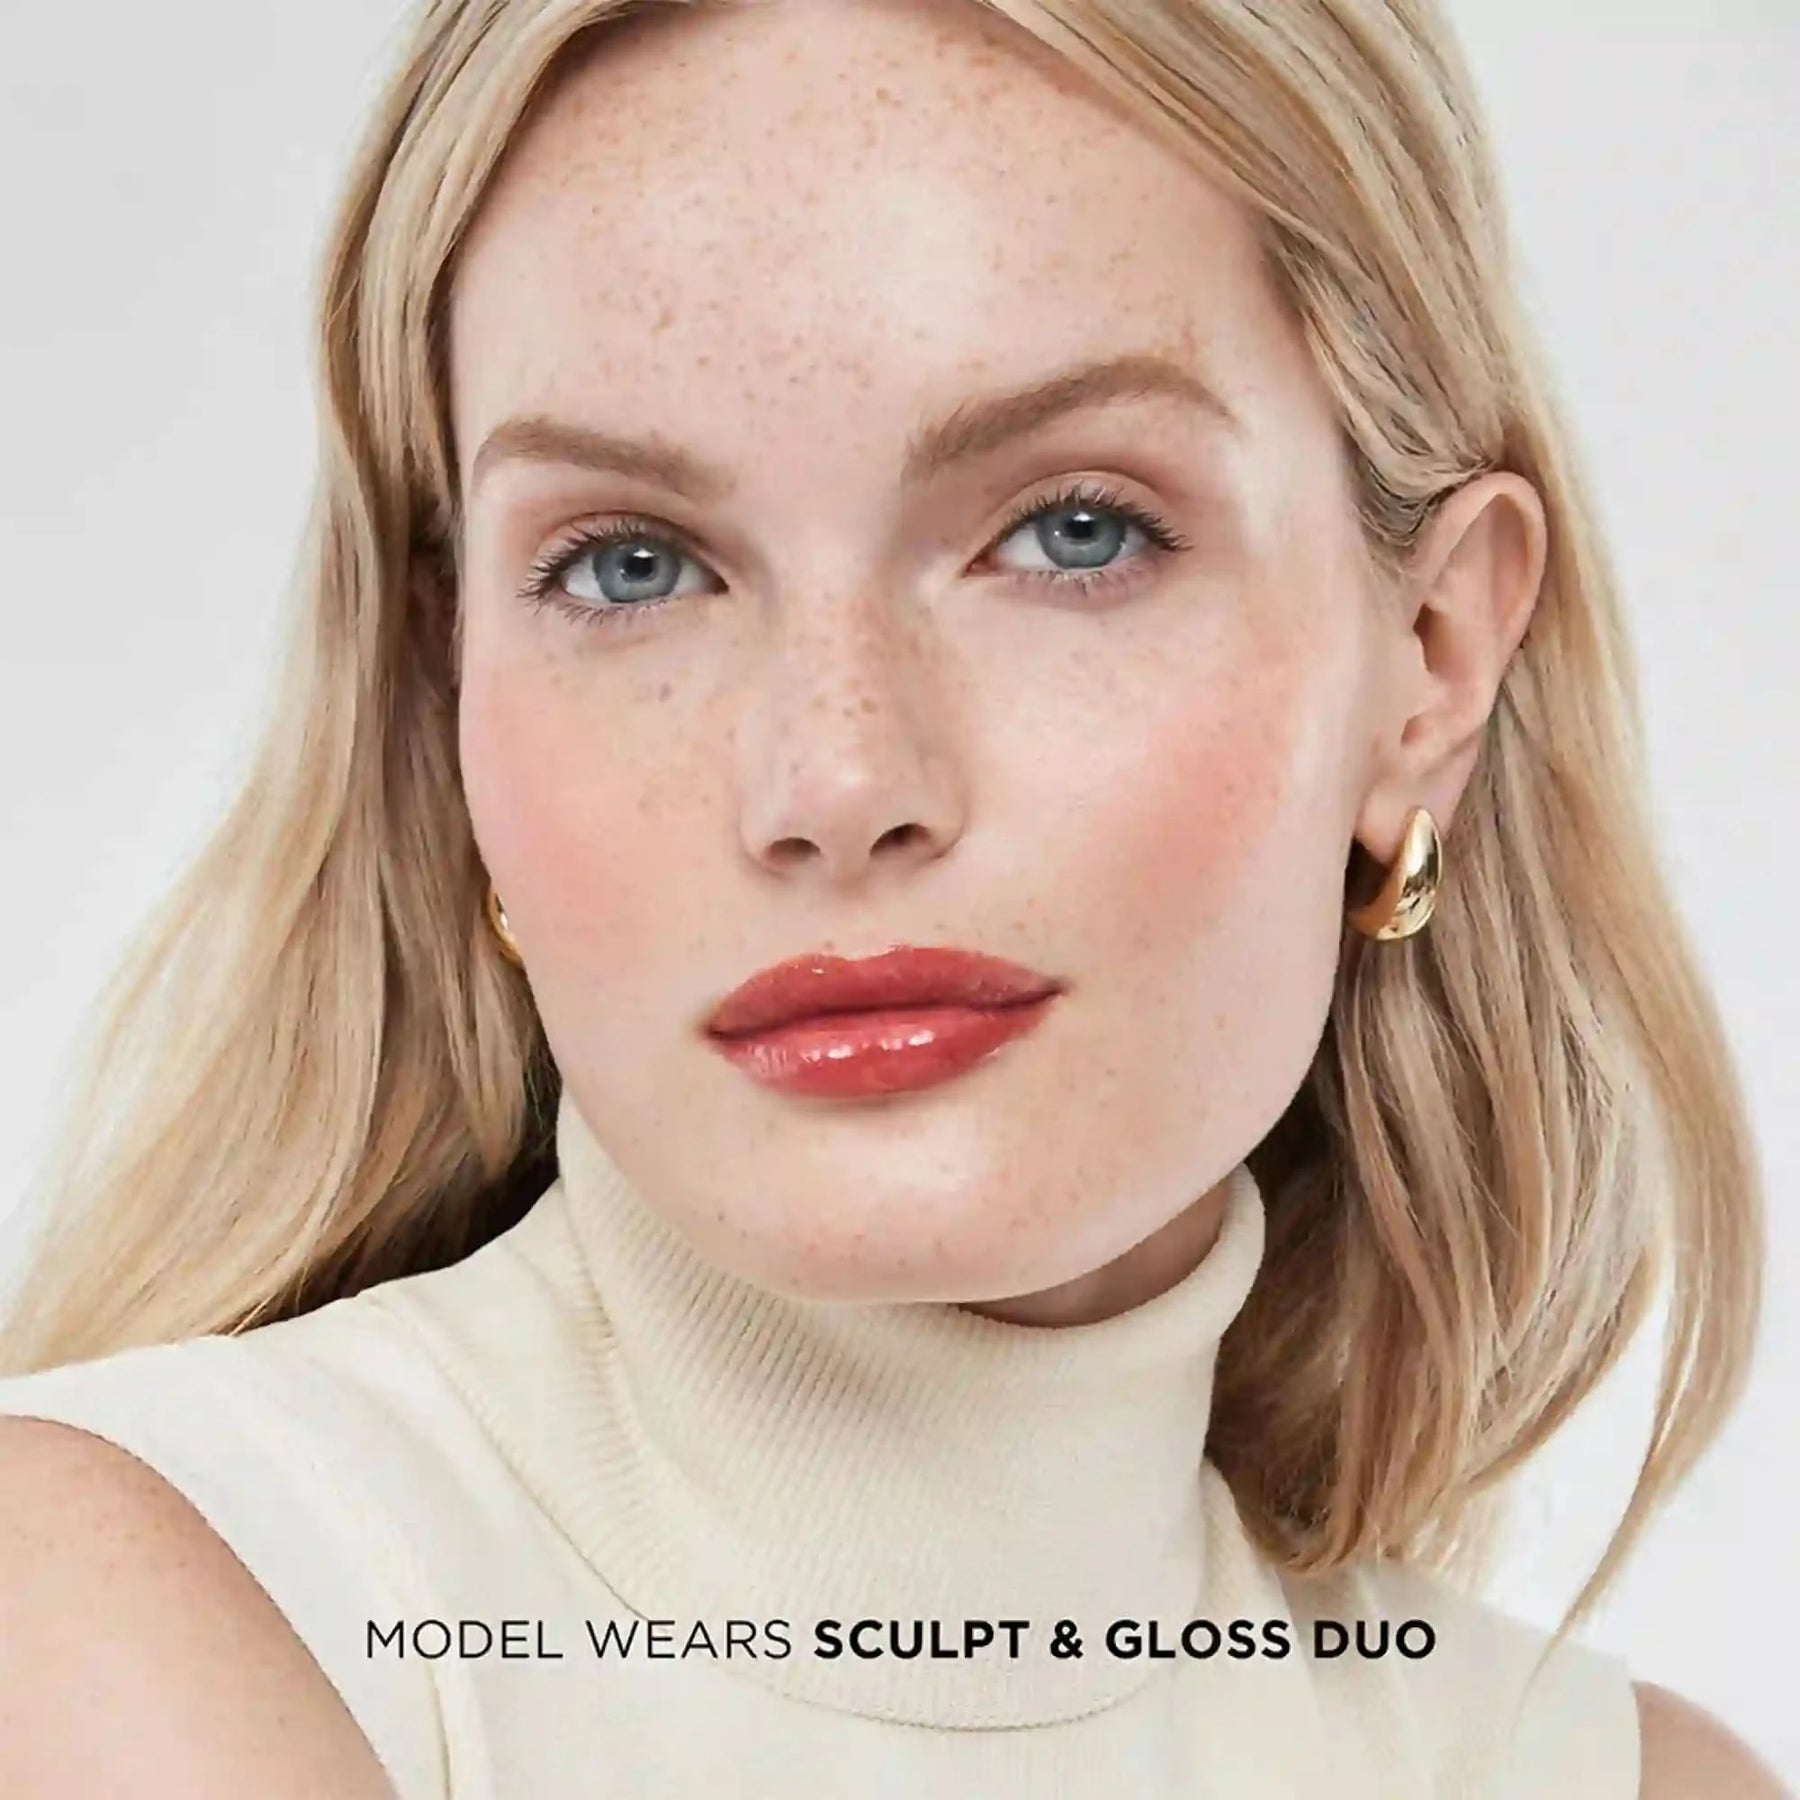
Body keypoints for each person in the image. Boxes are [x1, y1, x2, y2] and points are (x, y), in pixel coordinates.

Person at [0, 0, 1785, 1793]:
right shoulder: (103, 1619)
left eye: (1074, 530)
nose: (837, 783)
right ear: (444, 695)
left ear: (1434, 658)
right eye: (631, 566)